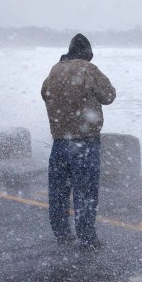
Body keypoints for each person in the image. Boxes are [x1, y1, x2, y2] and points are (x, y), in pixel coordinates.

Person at [41, 33, 116, 249]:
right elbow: (109, 96)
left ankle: (62, 233)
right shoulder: (88, 69)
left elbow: (44, 93)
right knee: (85, 191)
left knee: (59, 191)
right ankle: (87, 237)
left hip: (59, 141)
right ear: (87, 53)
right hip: (85, 141)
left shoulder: (55, 69)